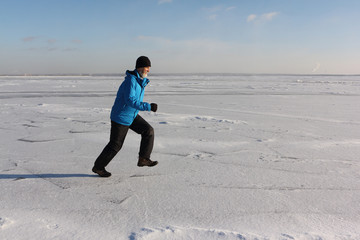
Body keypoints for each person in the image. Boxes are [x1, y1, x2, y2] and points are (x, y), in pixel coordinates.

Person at [92, 56, 158, 177]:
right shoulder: (131, 81)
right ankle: (98, 167)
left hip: (131, 115)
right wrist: (148, 106)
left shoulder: (139, 82)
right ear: (140, 67)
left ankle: (143, 158)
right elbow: (130, 100)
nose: (148, 70)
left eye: (149, 68)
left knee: (148, 131)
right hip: (121, 117)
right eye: (147, 68)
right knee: (115, 145)